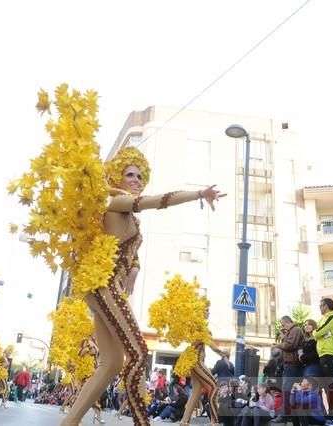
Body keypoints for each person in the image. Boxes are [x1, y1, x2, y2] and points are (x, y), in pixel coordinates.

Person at [61, 146, 225, 426]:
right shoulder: (117, 201)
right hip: (103, 286)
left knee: (111, 362)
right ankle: (141, 422)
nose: (136, 180)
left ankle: (69, 422)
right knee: (138, 351)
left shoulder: (127, 214)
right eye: (130, 175)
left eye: (139, 176)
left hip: (106, 289)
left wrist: (134, 270)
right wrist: (197, 194)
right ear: (116, 177)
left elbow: (128, 250)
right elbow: (157, 201)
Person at [180, 301, 224, 426]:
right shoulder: (200, 327)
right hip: (196, 361)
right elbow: (211, 345)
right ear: (199, 312)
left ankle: (184, 422)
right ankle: (214, 422)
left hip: (194, 361)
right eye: (206, 310)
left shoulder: (197, 326)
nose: (208, 313)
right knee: (214, 387)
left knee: (196, 392)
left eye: (208, 310)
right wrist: (223, 355)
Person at [272, 316, 304, 423]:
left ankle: (284, 415)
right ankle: (288, 415)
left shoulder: (296, 330)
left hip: (293, 365)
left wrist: (279, 344)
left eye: (283, 324)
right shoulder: (292, 331)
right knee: (289, 391)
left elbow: (291, 345)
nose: (282, 327)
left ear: (288, 322)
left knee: (286, 389)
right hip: (290, 365)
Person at [313, 298, 333, 420]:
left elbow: (316, 333)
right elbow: (318, 334)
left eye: (321, 305)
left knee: (332, 386)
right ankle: (331, 415)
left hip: (329, 354)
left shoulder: (332, 318)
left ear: (326, 306)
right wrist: (320, 334)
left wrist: (318, 333)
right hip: (323, 354)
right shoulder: (322, 319)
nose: (319, 307)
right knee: (327, 386)